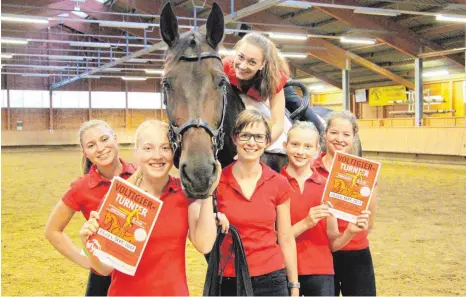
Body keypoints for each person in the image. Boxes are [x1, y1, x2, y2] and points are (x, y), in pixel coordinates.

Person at [79, 119, 219, 296]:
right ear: (137, 151)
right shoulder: (119, 196)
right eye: (148, 148)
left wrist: (208, 192)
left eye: (165, 148)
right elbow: (106, 269)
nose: (157, 156)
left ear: (174, 152)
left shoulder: (184, 194)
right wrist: (89, 245)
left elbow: (204, 245)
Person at [44, 120, 136, 296]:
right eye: (91, 145)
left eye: (104, 139)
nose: (100, 148)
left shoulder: (142, 174)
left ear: (115, 139)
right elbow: (52, 231)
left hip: (143, 272)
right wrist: (87, 261)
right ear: (85, 152)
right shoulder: (81, 187)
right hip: (104, 278)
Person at [215, 109, 299, 296]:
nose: (252, 143)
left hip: (271, 279)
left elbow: (285, 238)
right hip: (229, 278)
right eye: (245, 135)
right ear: (235, 138)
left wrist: (294, 286)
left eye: (259, 137)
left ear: (267, 142)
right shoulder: (217, 181)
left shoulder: (279, 183)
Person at [281, 121, 370, 296]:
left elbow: (333, 244)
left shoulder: (327, 188)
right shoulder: (274, 184)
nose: (300, 152)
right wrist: (306, 223)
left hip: (321, 273)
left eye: (307, 147)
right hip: (282, 272)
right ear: (285, 146)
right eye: (295, 145)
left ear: (316, 151)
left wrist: (350, 232)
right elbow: (273, 240)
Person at [223, 32, 323, 153]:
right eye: (240, 57)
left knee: (304, 111)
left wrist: (258, 148)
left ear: (262, 64)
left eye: (252, 62)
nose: (243, 66)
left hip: (270, 86)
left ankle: (323, 140)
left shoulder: (274, 77)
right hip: (246, 90)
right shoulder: (225, 66)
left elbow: (278, 124)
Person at [313, 110, 378, 296]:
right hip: (322, 253)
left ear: (354, 137)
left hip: (356, 251)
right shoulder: (310, 169)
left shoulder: (365, 173)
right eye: (334, 132)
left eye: (346, 134)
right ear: (325, 134)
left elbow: (370, 220)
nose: (339, 139)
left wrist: (351, 234)